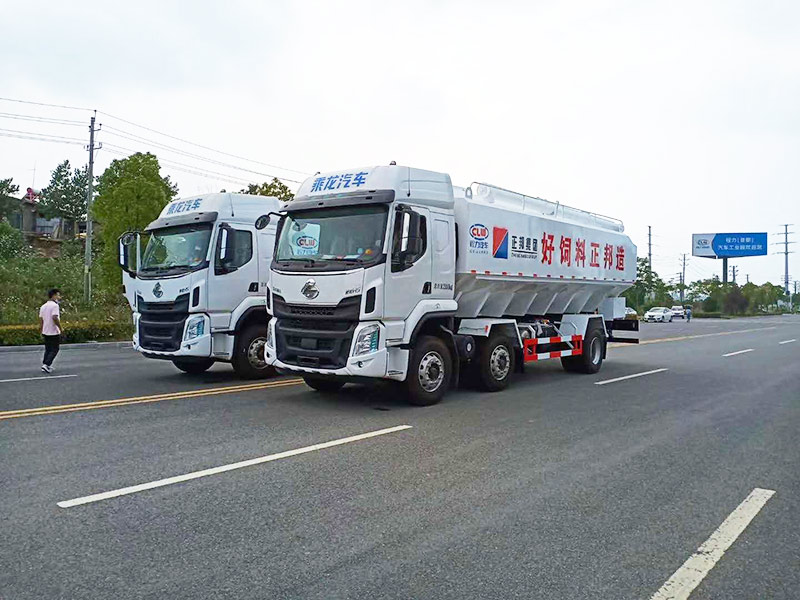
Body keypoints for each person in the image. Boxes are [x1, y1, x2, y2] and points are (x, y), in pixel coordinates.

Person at [39, 288, 62, 373]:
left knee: (48, 349)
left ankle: (45, 364)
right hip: (53, 331)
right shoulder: (55, 306)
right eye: (58, 295)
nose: (59, 297)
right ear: (54, 295)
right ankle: (46, 364)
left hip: (45, 331)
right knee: (55, 349)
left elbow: (41, 319)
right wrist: (60, 328)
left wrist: (41, 330)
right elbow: (55, 317)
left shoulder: (43, 306)